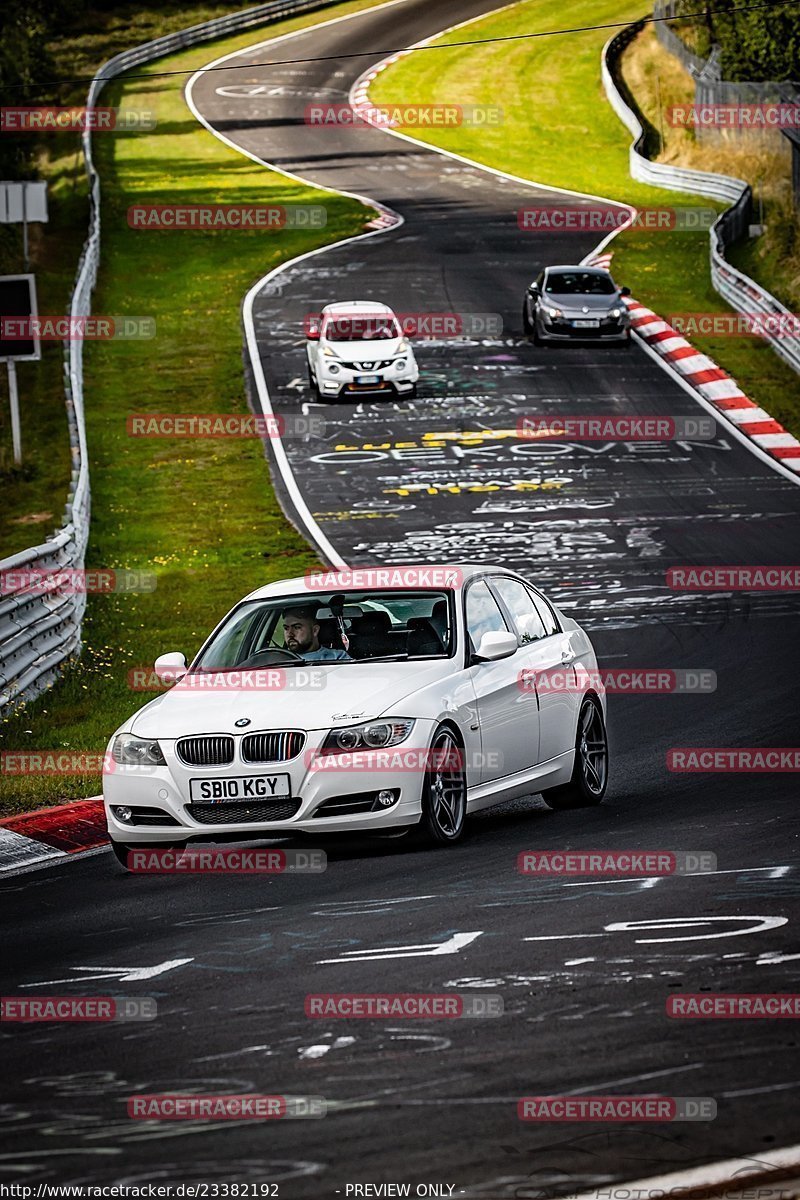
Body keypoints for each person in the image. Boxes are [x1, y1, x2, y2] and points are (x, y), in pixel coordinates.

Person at [281, 605, 350, 661]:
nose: (290, 634)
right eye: (286, 628)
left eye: (297, 627)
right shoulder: (278, 659)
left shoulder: (338, 657)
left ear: (315, 630)